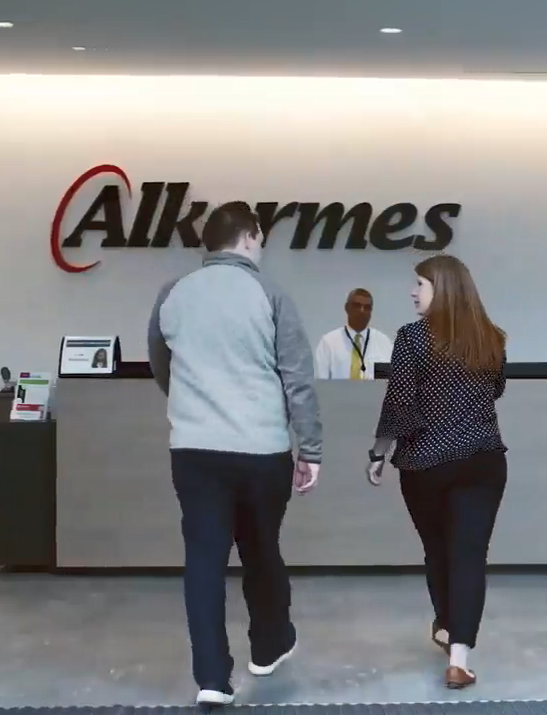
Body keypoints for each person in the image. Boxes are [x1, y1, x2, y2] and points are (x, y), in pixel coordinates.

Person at [147, 202, 322, 707]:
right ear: (250, 237)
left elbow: (162, 365)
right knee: (261, 548)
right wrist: (309, 448)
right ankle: (268, 647)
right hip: (262, 450)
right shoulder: (269, 293)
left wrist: (195, 404)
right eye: (260, 240)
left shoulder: (173, 294)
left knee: (203, 559)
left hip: (195, 451)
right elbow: (298, 379)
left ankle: (211, 679)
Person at [364, 254, 508, 690]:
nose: (413, 291)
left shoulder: (411, 339)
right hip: (483, 459)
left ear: (441, 289)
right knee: (469, 555)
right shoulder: (491, 338)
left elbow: (400, 402)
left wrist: (379, 450)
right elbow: (496, 389)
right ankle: (459, 657)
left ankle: (447, 624)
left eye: (420, 285)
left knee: (438, 548)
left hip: (426, 463)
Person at [313, 288, 394, 379]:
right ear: (347, 308)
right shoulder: (329, 343)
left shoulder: (384, 343)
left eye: (367, 307)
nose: (362, 311)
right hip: (338, 393)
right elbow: (321, 384)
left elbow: (385, 383)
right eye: (357, 306)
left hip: (373, 393)